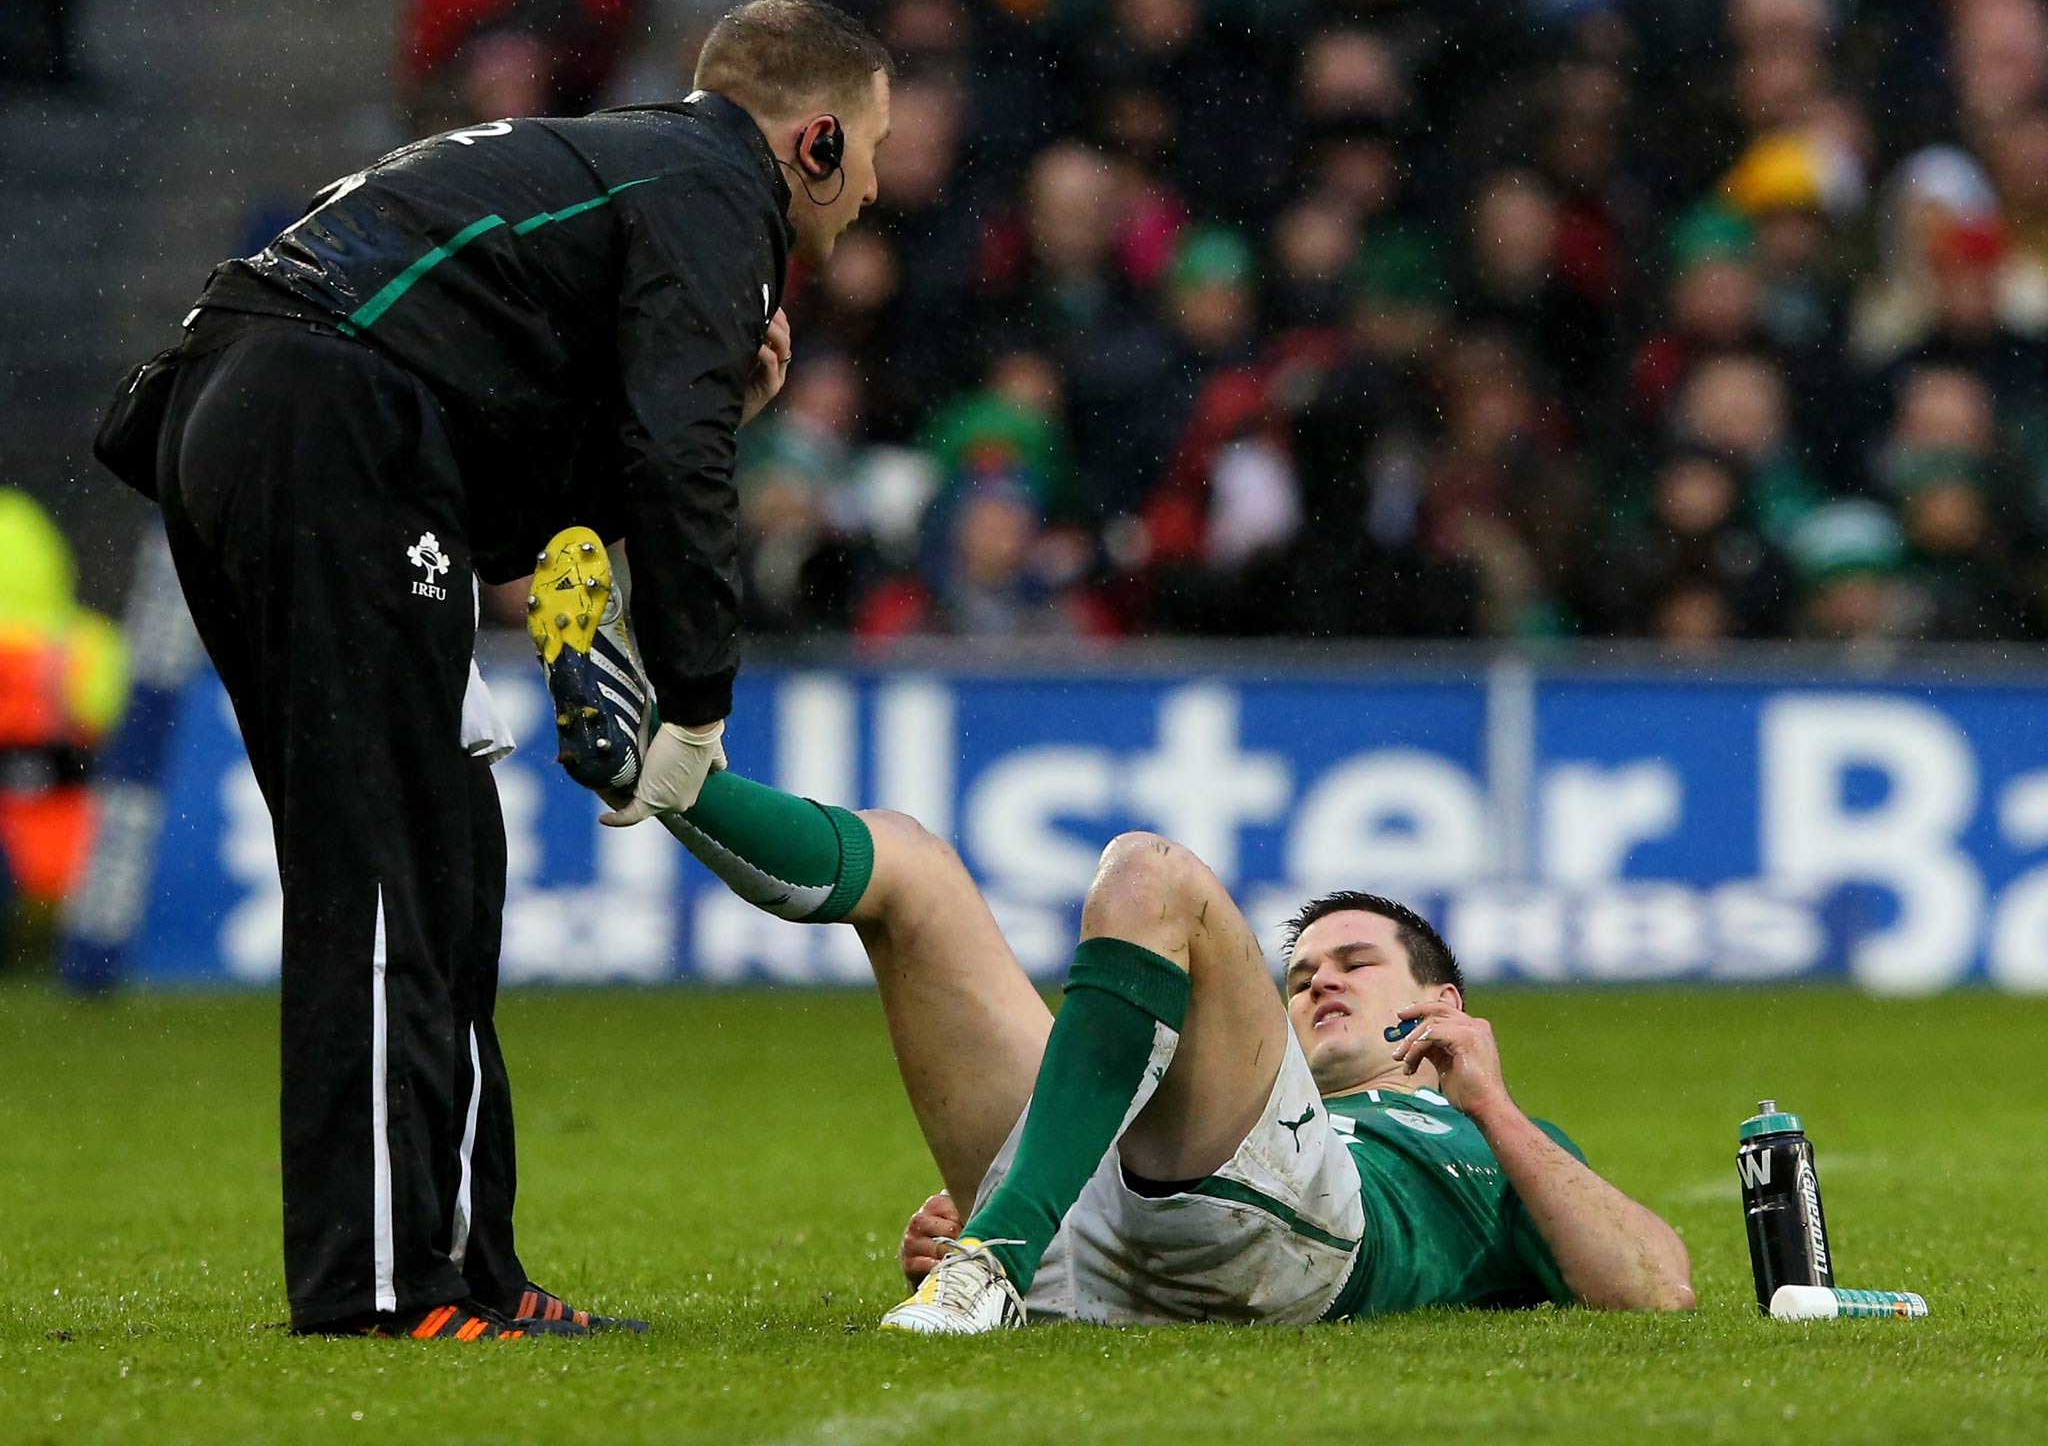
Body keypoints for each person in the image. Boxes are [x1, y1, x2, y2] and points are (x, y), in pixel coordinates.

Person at [91, 0, 893, 1341]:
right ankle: (382, 1288)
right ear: (813, 142)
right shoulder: (719, 191)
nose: (873, 186)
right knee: (389, 864)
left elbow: (548, 472)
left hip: (282, 413)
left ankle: (468, 1267)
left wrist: (722, 412)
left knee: (446, 858)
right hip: (328, 419)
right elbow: (673, 459)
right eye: (870, 149)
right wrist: (696, 699)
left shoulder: (623, 164)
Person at [528, 542, 1696, 1330]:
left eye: (1354, 962)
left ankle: (1000, 1250)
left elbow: (1658, 1290)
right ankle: (670, 777)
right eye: (1298, 975)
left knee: (1149, 873)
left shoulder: (1481, 1140)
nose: (1318, 982)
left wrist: (1491, 1108)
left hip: (1301, 1239)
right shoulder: (1271, 1085)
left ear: (1437, 1008)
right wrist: (972, 1216)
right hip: (1108, 1239)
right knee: (915, 866)